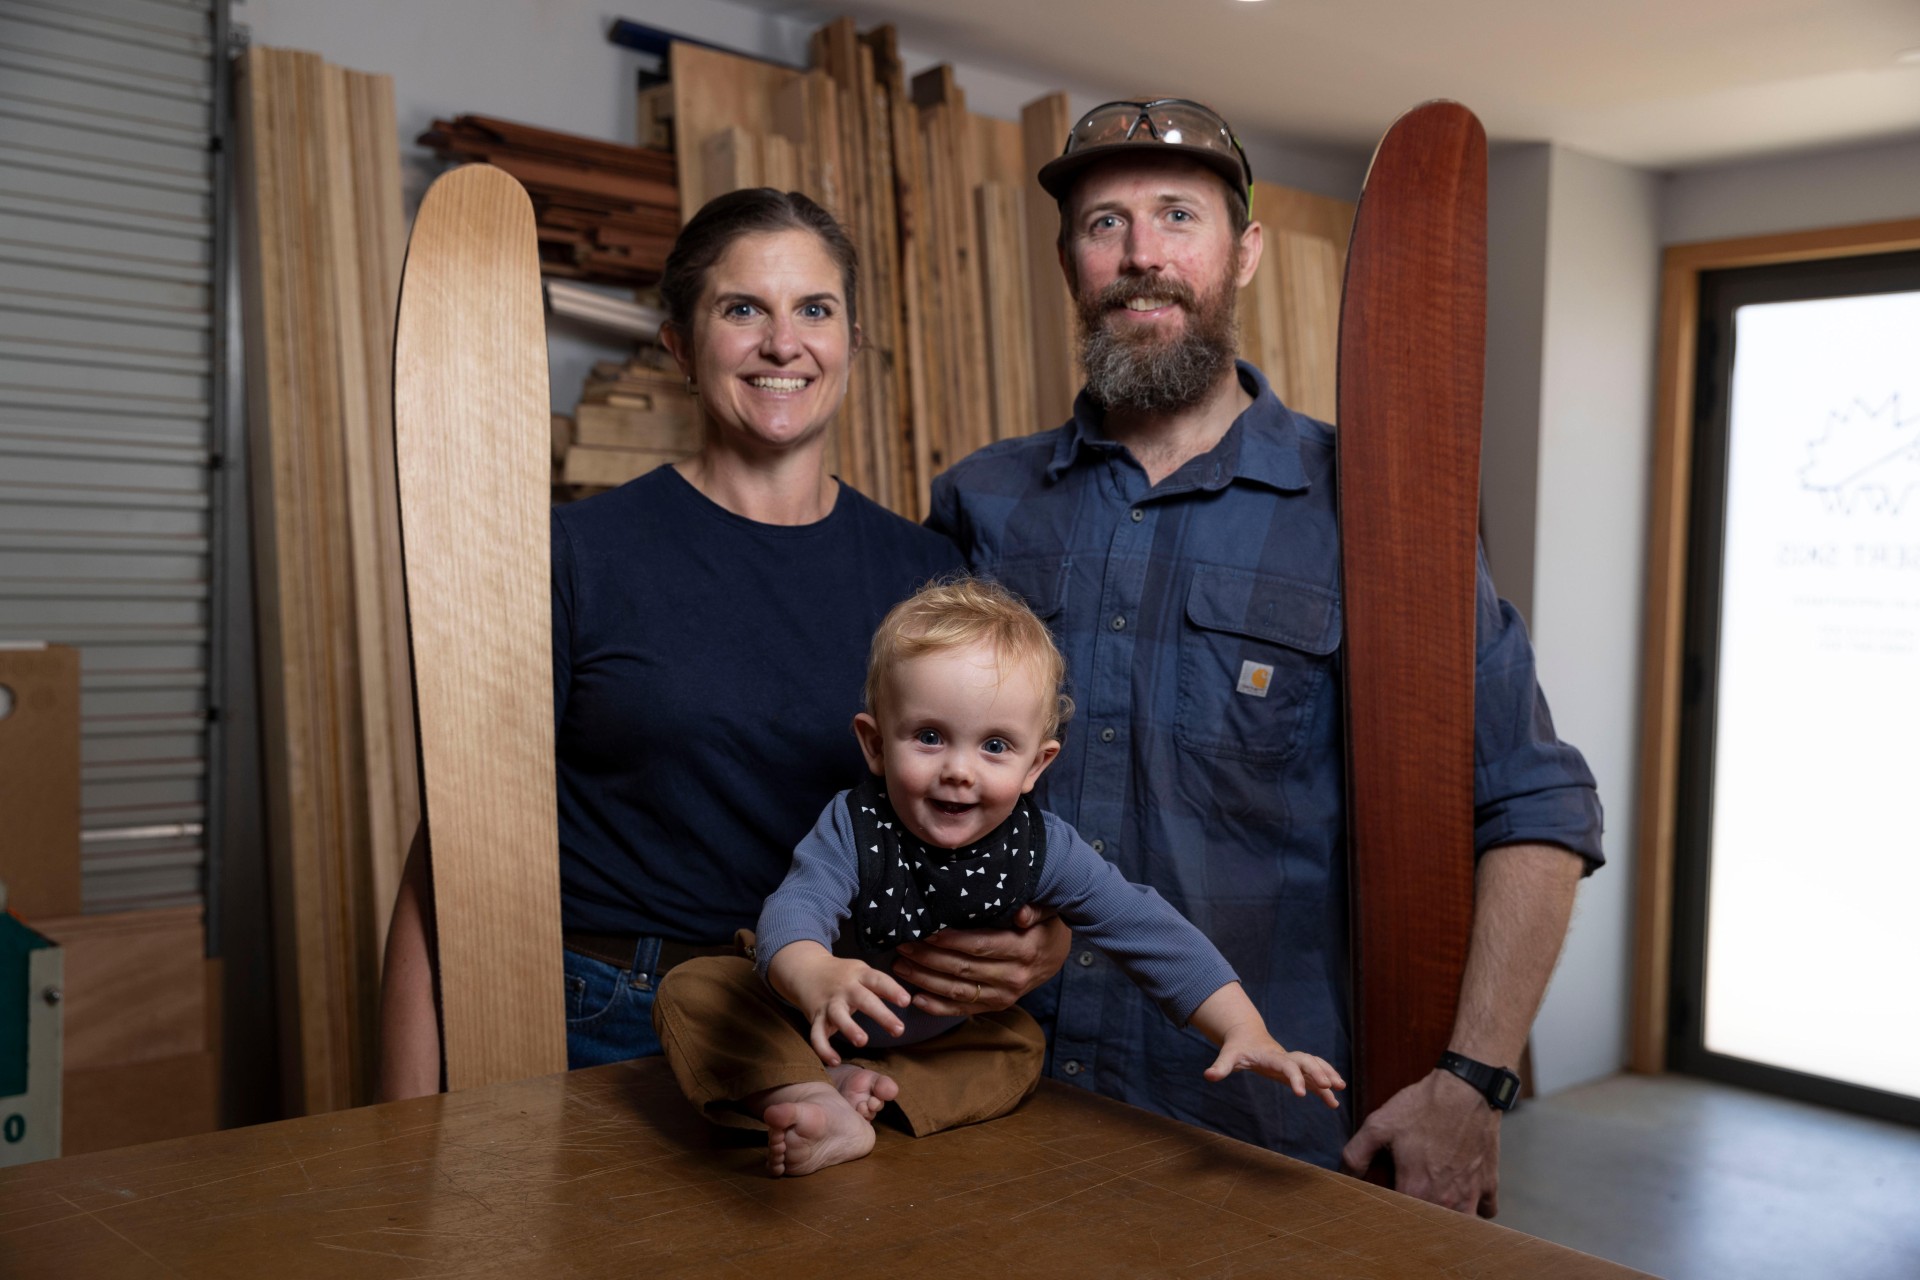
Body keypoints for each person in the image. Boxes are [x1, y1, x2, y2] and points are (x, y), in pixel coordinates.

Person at [924, 99, 1605, 1216]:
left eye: (1178, 216)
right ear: (1067, 262)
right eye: (1106, 224)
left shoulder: (1376, 513)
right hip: (1001, 1099)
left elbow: (1534, 802)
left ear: (1242, 251)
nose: (1142, 255)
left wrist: (1474, 1081)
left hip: (1265, 1142)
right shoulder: (984, 504)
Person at [377, 189, 1071, 1100]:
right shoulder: (576, 555)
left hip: (843, 1029)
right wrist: (399, 1130)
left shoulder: (929, 577)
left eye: (815, 310)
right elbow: (453, 855)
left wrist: (1042, 934)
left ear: (852, 346)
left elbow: (988, 810)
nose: (783, 343)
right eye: (742, 309)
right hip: (610, 1019)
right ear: (678, 344)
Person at [652, 578, 1343, 1176]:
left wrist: (1244, 1029)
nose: (959, 769)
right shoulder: (855, 823)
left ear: (1037, 765)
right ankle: (802, 1090)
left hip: (938, 1038)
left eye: (994, 746)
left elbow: (1146, 930)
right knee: (699, 991)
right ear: (873, 742)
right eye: (929, 736)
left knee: (1018, 1048)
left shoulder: (1045, 849)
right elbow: (795, 907)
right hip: (808, 1013)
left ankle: (855, 1095)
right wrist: (815, 974)